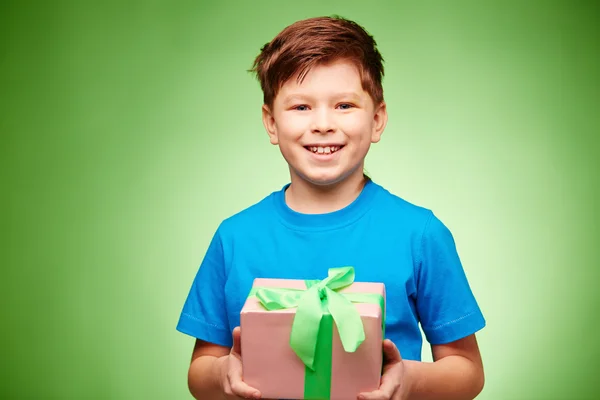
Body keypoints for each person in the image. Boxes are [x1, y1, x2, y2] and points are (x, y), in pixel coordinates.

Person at [176, 15, 486, 400]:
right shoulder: (234, 237)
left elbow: (468, 371)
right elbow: (200, 370)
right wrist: (224, 374)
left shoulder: (420, 234)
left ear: (377, 120)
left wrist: (411, 381)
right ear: (271, 123)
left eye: (343, 105)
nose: (323, 124)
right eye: (301, 107)